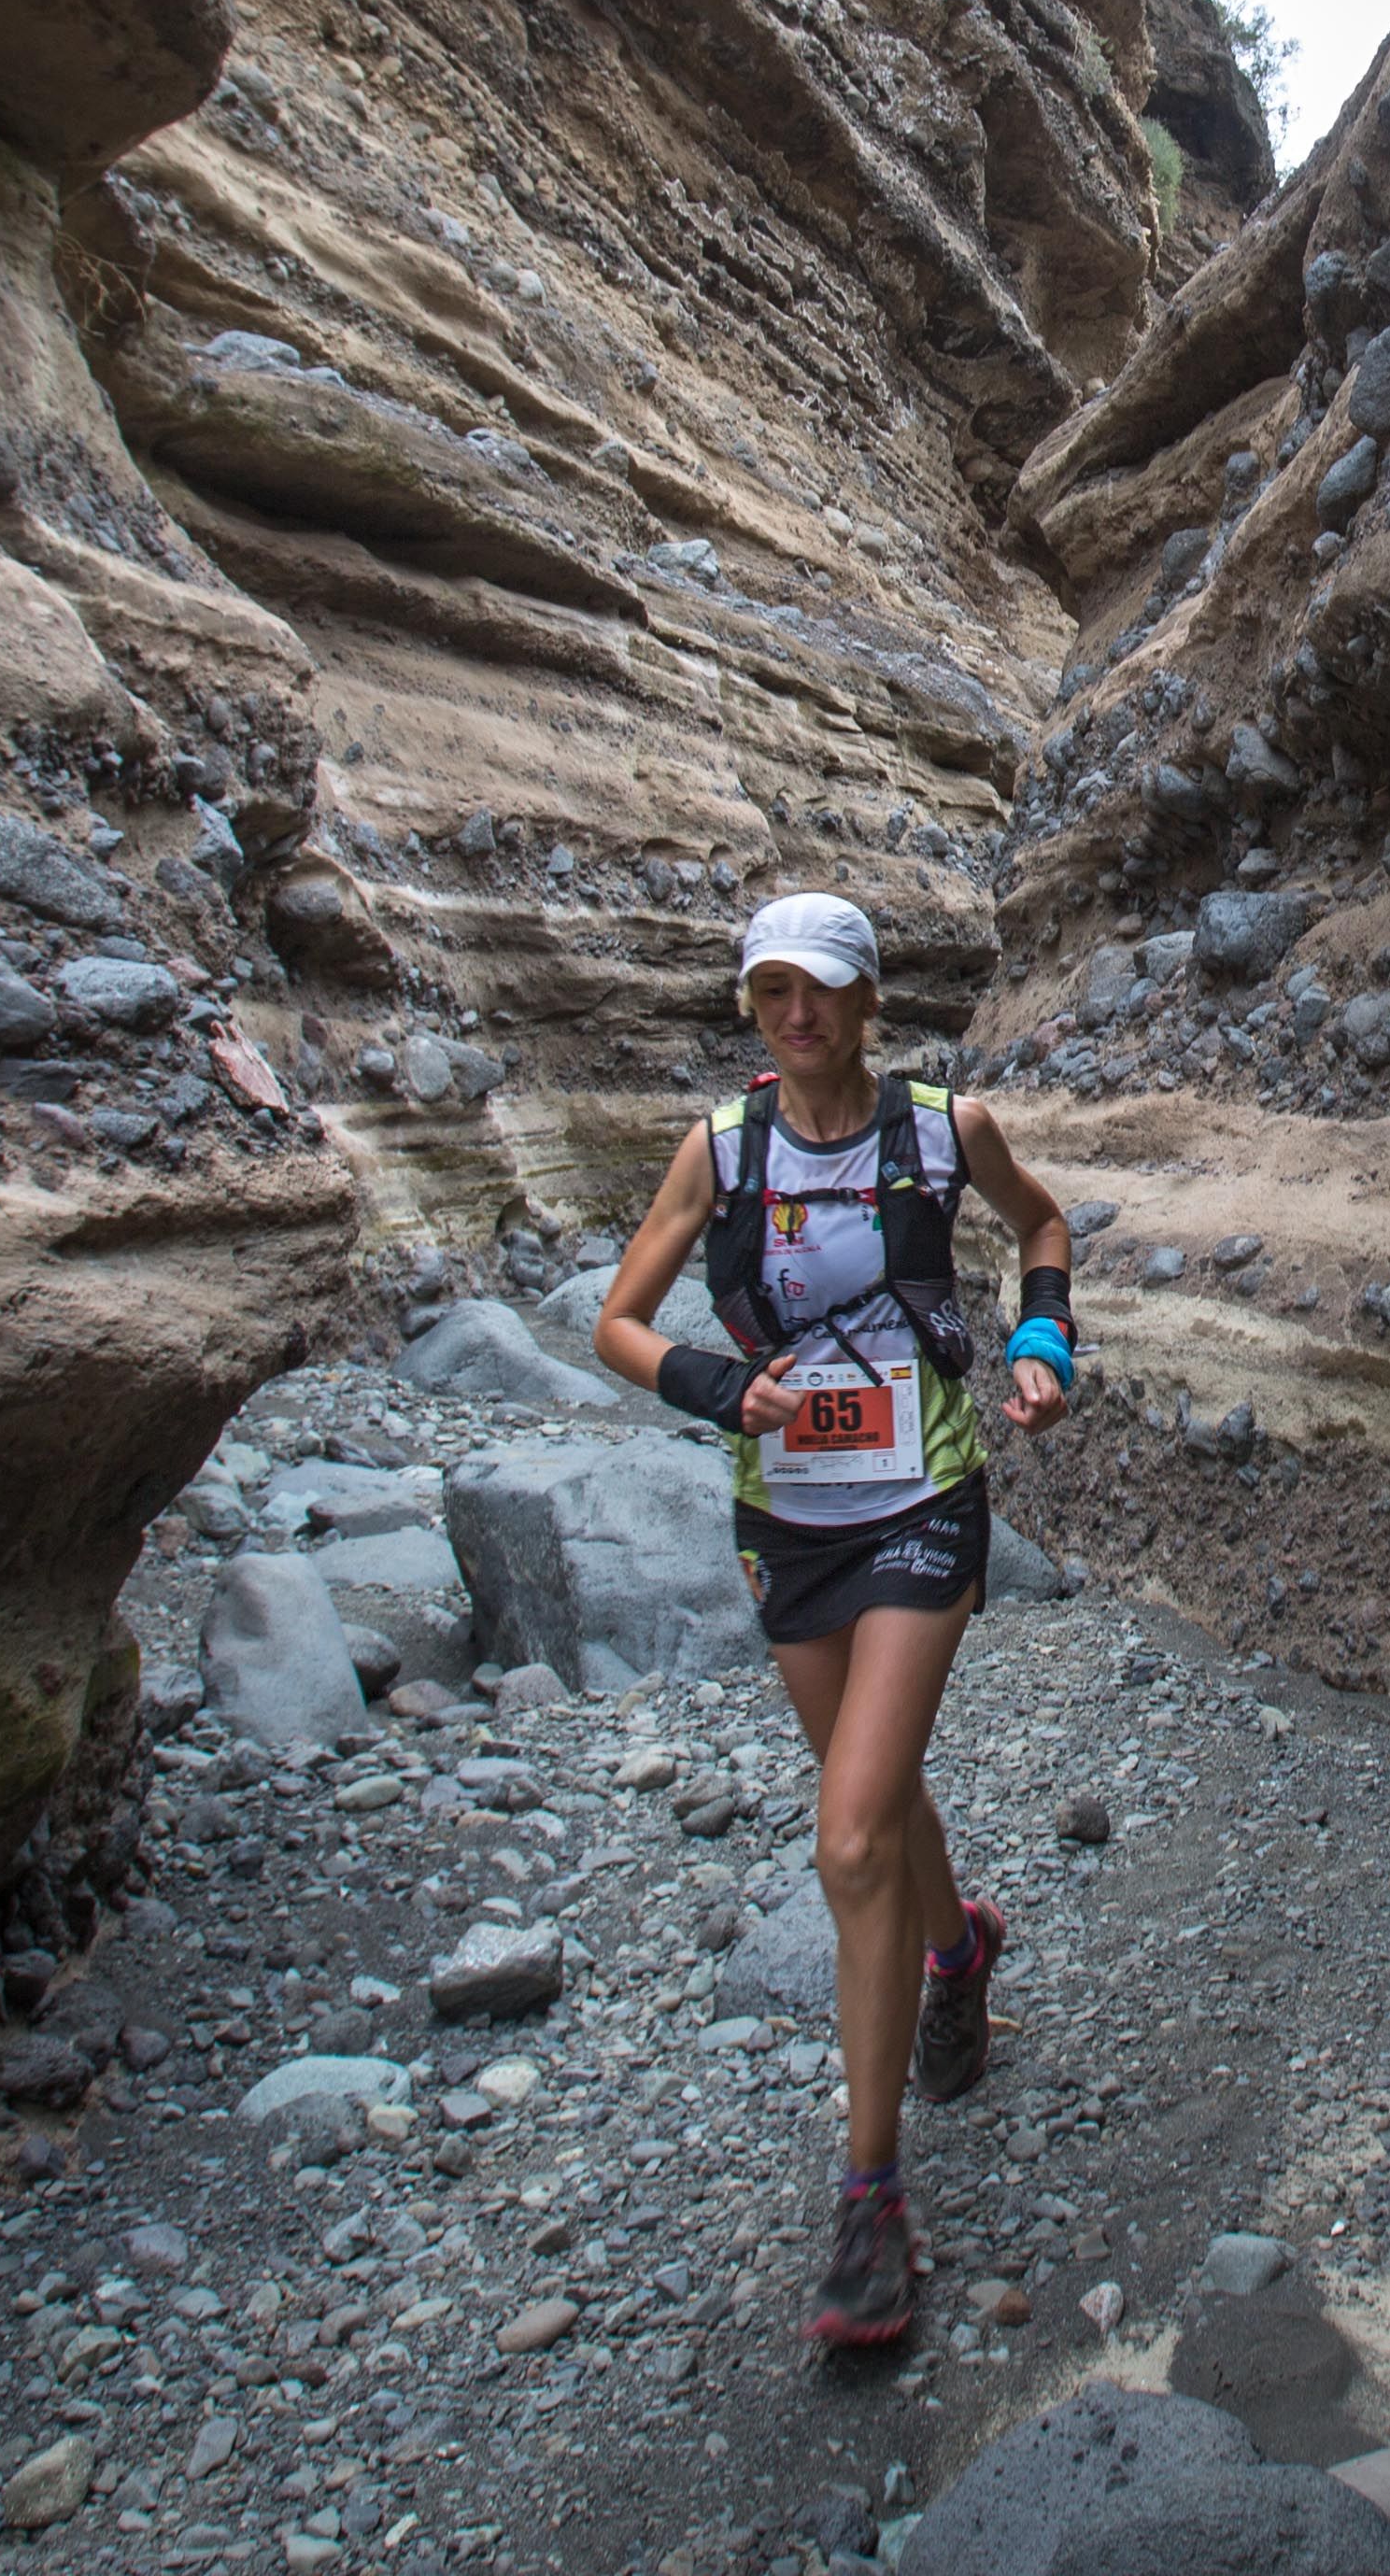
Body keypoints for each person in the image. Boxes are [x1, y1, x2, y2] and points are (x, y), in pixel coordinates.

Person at [590, 891, 1077, 2348]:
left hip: (922, 1497)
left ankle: (870, 2202)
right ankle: (957, 1950)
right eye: (769, 993)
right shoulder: (720, 1150)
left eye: (821, 990)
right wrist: (705, 1386)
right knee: (878, 1792)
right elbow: (618, 1321)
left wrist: (1043, 1338)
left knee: (849, 1831)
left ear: (870, 1002)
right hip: (786, 1518)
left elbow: (1040, 1223)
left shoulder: (944, 1129)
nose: (794, 1015)